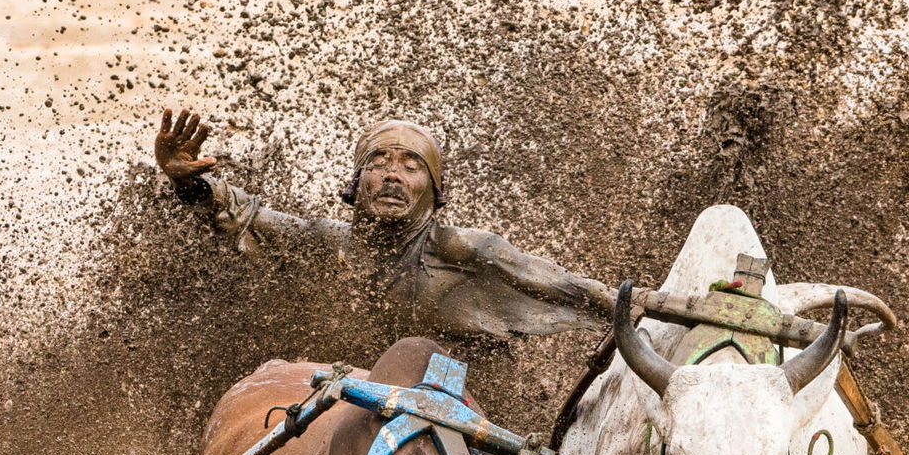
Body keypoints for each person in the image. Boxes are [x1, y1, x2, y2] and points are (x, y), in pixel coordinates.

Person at [153, 109, 628, 341]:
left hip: (457, 410)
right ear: (355, 182)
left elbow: (576, 290)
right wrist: (188, 183)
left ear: (434, 191)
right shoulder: (321, 242)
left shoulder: (468, 251)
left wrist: (650, 308)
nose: (394, 175)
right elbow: (241, 215)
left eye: (411, 165)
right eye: (379, 161)